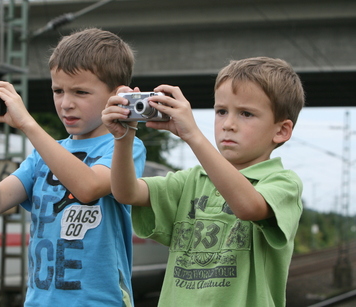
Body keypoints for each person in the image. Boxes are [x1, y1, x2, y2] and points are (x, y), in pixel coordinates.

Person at [0, 28, 146, 306]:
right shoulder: (41, 155)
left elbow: (89, 187)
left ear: (117, 95)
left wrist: (26, 122)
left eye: (80, 92)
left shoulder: (123, 146)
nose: (66, 104)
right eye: (58, 90)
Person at [102, 56, 305, 306]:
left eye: (246, 114)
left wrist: (193, 136)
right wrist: (123, 137)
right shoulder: (191, 180)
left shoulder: (283, 182)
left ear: (281, 130)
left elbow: (248, 206)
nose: (228, 124)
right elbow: (126, 193)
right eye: (221, 111)